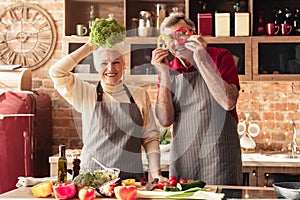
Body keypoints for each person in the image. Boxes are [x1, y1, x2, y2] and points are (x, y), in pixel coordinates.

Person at [49, 38, 168, 182]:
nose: (111, 69)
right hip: (91, 179)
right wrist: (89, 46)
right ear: (95, 65)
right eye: (104, 63)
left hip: (129, 180)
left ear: (124, 64)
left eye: (116, 62)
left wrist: (156, 174)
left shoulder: (139, 94)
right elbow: (56, 72)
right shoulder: (86, 93)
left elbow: (150, 138)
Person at [151, 13, 243, 185]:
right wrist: (163, 73)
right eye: (170, 38)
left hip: (220, 157)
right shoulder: (168, 70)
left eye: (182, 34)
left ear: (194, 33)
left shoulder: (221, 56)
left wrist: (202, 60)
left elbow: (228, 102)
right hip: (184, 158)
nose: (177, 42)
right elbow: (164, 120)